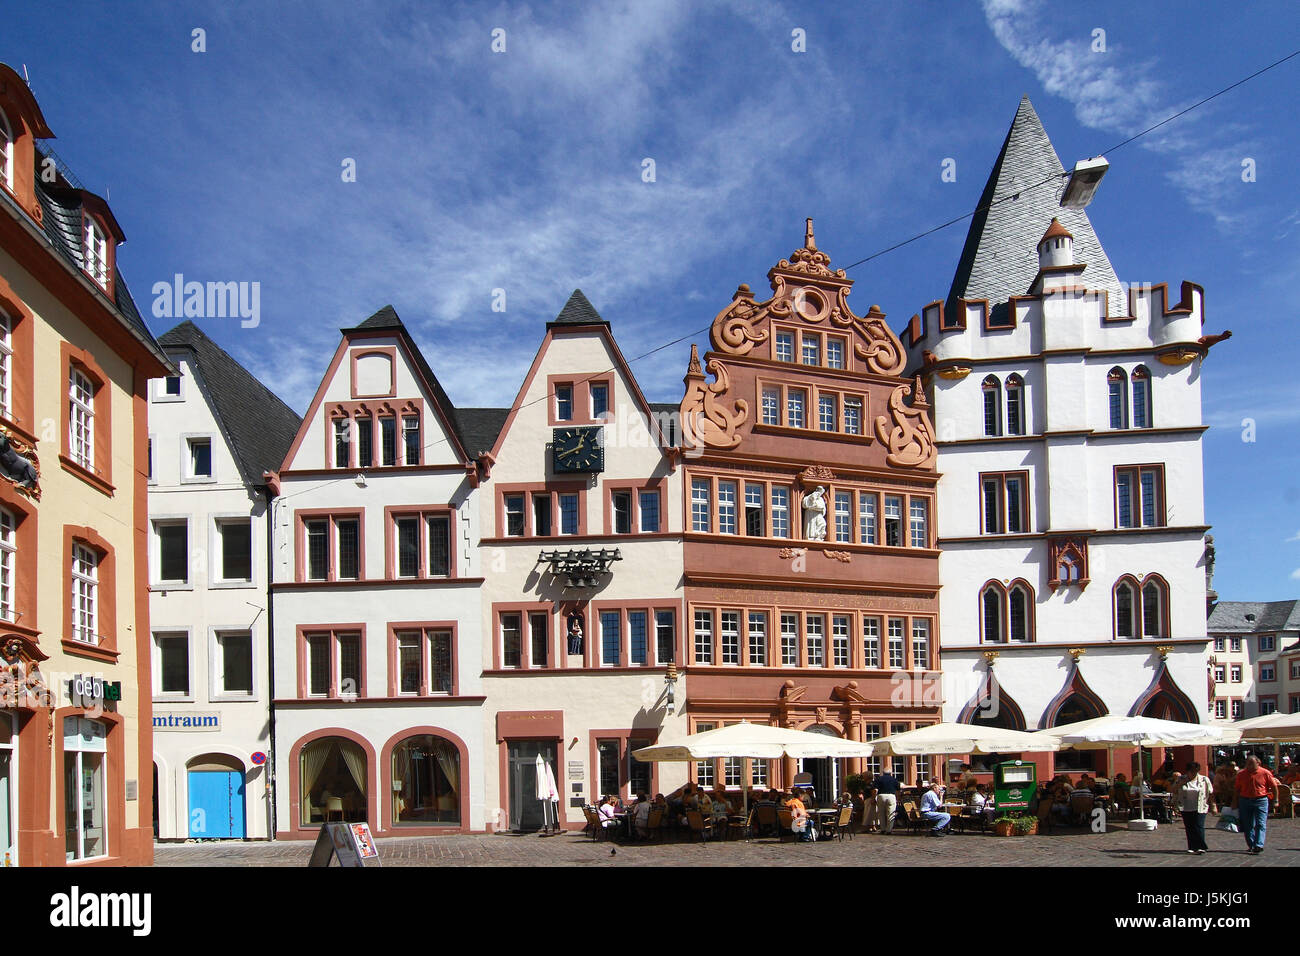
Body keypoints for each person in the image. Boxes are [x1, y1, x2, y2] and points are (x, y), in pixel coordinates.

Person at [1235, 755, 1280, 855]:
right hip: (1245, 800)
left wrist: (1276, 800)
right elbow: (1237, 789)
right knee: (1248, 824)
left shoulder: (1265, 773)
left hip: (1261, 800)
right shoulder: (1241, 774)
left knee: (1260, 823)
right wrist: (1234, 802)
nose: (1249, 766)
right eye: (1248, 763)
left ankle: (1259, 845)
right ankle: (1252, 845)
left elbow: (1274, 787)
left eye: (1251, 763)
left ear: (1258, 763)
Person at [1175, 763, 1212, 854]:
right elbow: (1173, 789)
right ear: (1187, 771)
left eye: (1195, 771)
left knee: (1199, 826)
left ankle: (1201, 847)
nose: (1193, 773)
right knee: (1189, 827)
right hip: (1185, 806)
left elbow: (1210, 792)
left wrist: (1213, 805)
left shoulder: (1204, 779)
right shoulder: (1181, 779)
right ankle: (1192, 846)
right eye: (1191, 771)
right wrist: (1180, 784)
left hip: (1200, 806)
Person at [872, 768, 901, 835]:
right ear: (890, 773)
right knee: (891, 814)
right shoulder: (894, 779)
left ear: (883, 773)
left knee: (881, 813)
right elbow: (898, 791)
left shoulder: (879, 779)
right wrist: (898, 798)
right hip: (891, 796)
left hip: (881, 796)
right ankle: (889, 830)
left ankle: (882, 829)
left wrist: (873, 798)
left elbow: (875, 790)